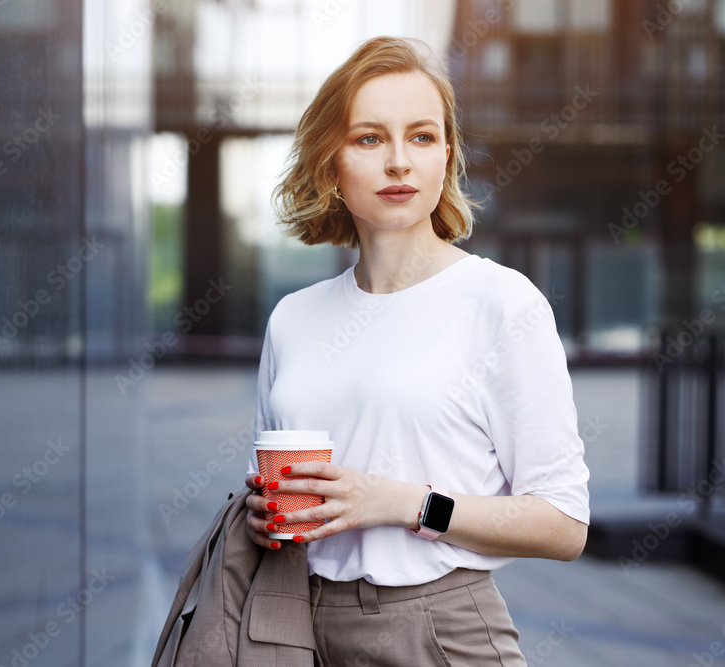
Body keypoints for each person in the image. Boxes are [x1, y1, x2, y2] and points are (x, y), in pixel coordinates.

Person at [244, 36, 589, 666]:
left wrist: (402, 502)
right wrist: (264, 514)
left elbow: (564, 524)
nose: (400, 161)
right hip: (293, 626)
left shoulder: (501, 303)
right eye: (370, 138)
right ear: (331, 163)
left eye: (422, 137)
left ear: (447, 157)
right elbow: (272, 489)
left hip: (439, 628)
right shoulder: (292, 319)